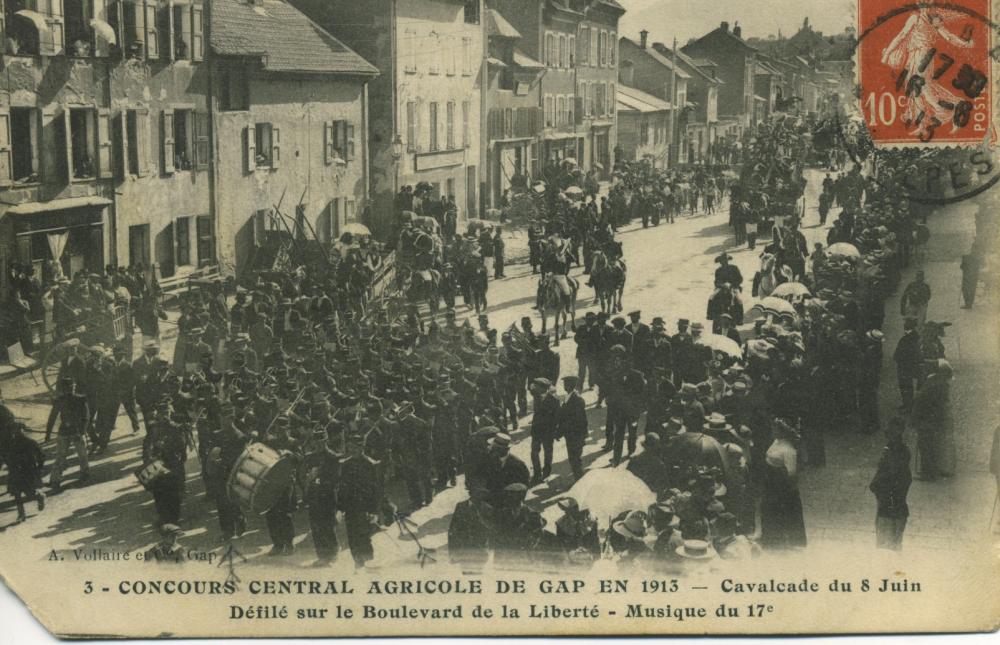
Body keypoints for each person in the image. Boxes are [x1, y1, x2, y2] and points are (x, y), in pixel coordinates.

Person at [760, 418, 806, 550]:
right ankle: (769, 537)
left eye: (775, 429)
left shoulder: (789, 450)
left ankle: (778, 541)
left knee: (778, 512)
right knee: (767, 509)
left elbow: (791, 473)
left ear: (783, 431)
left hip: (779, 485)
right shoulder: (776, 442)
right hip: (770, 481)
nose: (773, 431)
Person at [869, 417, 912, 550]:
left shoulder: (893, 452)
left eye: (890, 428)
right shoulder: (898, 450)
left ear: (898, 431)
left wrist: (876, 486)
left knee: (885, 544)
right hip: (895, 505)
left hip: (888, 506)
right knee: (894, 543)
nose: (887, 431)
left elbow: (889, 473)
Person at [46, 377, 91, 492]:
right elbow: (52, 417)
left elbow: (86, 418)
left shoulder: (79, 400)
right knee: (68, 456)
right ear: (63, 389)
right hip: (68, 432)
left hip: (72, 432)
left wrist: (82, 431)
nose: (70, 389)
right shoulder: (76, 400)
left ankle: (83, 474)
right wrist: (48, 434)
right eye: (68, 388)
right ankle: (56, 480)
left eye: (71, 387)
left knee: (80, 455)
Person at [912, 359, 954, 481]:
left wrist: (914, 419)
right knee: (930, 446)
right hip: (932, 421)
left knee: (926, 447)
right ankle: (932, 470)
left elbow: (922, 403)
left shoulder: (932, 383)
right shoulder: (940, 383)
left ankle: (928, 474)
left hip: (926, 421)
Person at [0, 424, 46, 522]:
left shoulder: (30, 442)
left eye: (19, 430)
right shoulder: (9, 444)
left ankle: (39, 496)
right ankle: (21, 514)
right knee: (16, 493)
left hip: (28, 471)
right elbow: (3, 456)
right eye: (14, 431)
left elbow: (41, 455)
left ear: (23, 431)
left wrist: (39, 467)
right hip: (15, 471)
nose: (16, 433)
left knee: (29, 493)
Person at [448, 486, 494, 572]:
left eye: (482, 494)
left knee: (477, 574)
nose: (480, 496)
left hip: (480, 550)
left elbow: (491, 528)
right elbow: (453, 529)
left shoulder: (487, 508)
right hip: (464, 549)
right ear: (471, 494)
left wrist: (480, 519)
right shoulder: (461, 506)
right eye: (478, 493)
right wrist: (452, 551)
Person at [529, 378, 560, 485]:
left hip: (547, 432)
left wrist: (555, 431)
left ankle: (546, 472)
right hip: (536, 430)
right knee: (534, 452)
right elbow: (531, 388)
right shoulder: (536, 396)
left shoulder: (554, 400)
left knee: (548, 453)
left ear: (544, 388)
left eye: (538, 387)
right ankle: (537, 474)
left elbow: (556, 418)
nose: (535, 389)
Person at [558, 376, 588, 481]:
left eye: (566, 384)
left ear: (571, 385)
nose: (564, 386)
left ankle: (580, 482)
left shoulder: (577, 400)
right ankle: (578, 479)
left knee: (576, 460)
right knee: (573, 459)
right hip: (571, 435)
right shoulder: (569, 397)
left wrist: (560, 432)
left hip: (576, 435)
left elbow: (578, 420)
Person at [893, 317, 922, 412]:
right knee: (907, 386)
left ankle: (907, 406)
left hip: (904, 366)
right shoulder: (916, 337)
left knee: (905, 386)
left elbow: (898, 354)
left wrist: (897, 359)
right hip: (909, 365)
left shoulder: (906, 338)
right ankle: (907, 404)